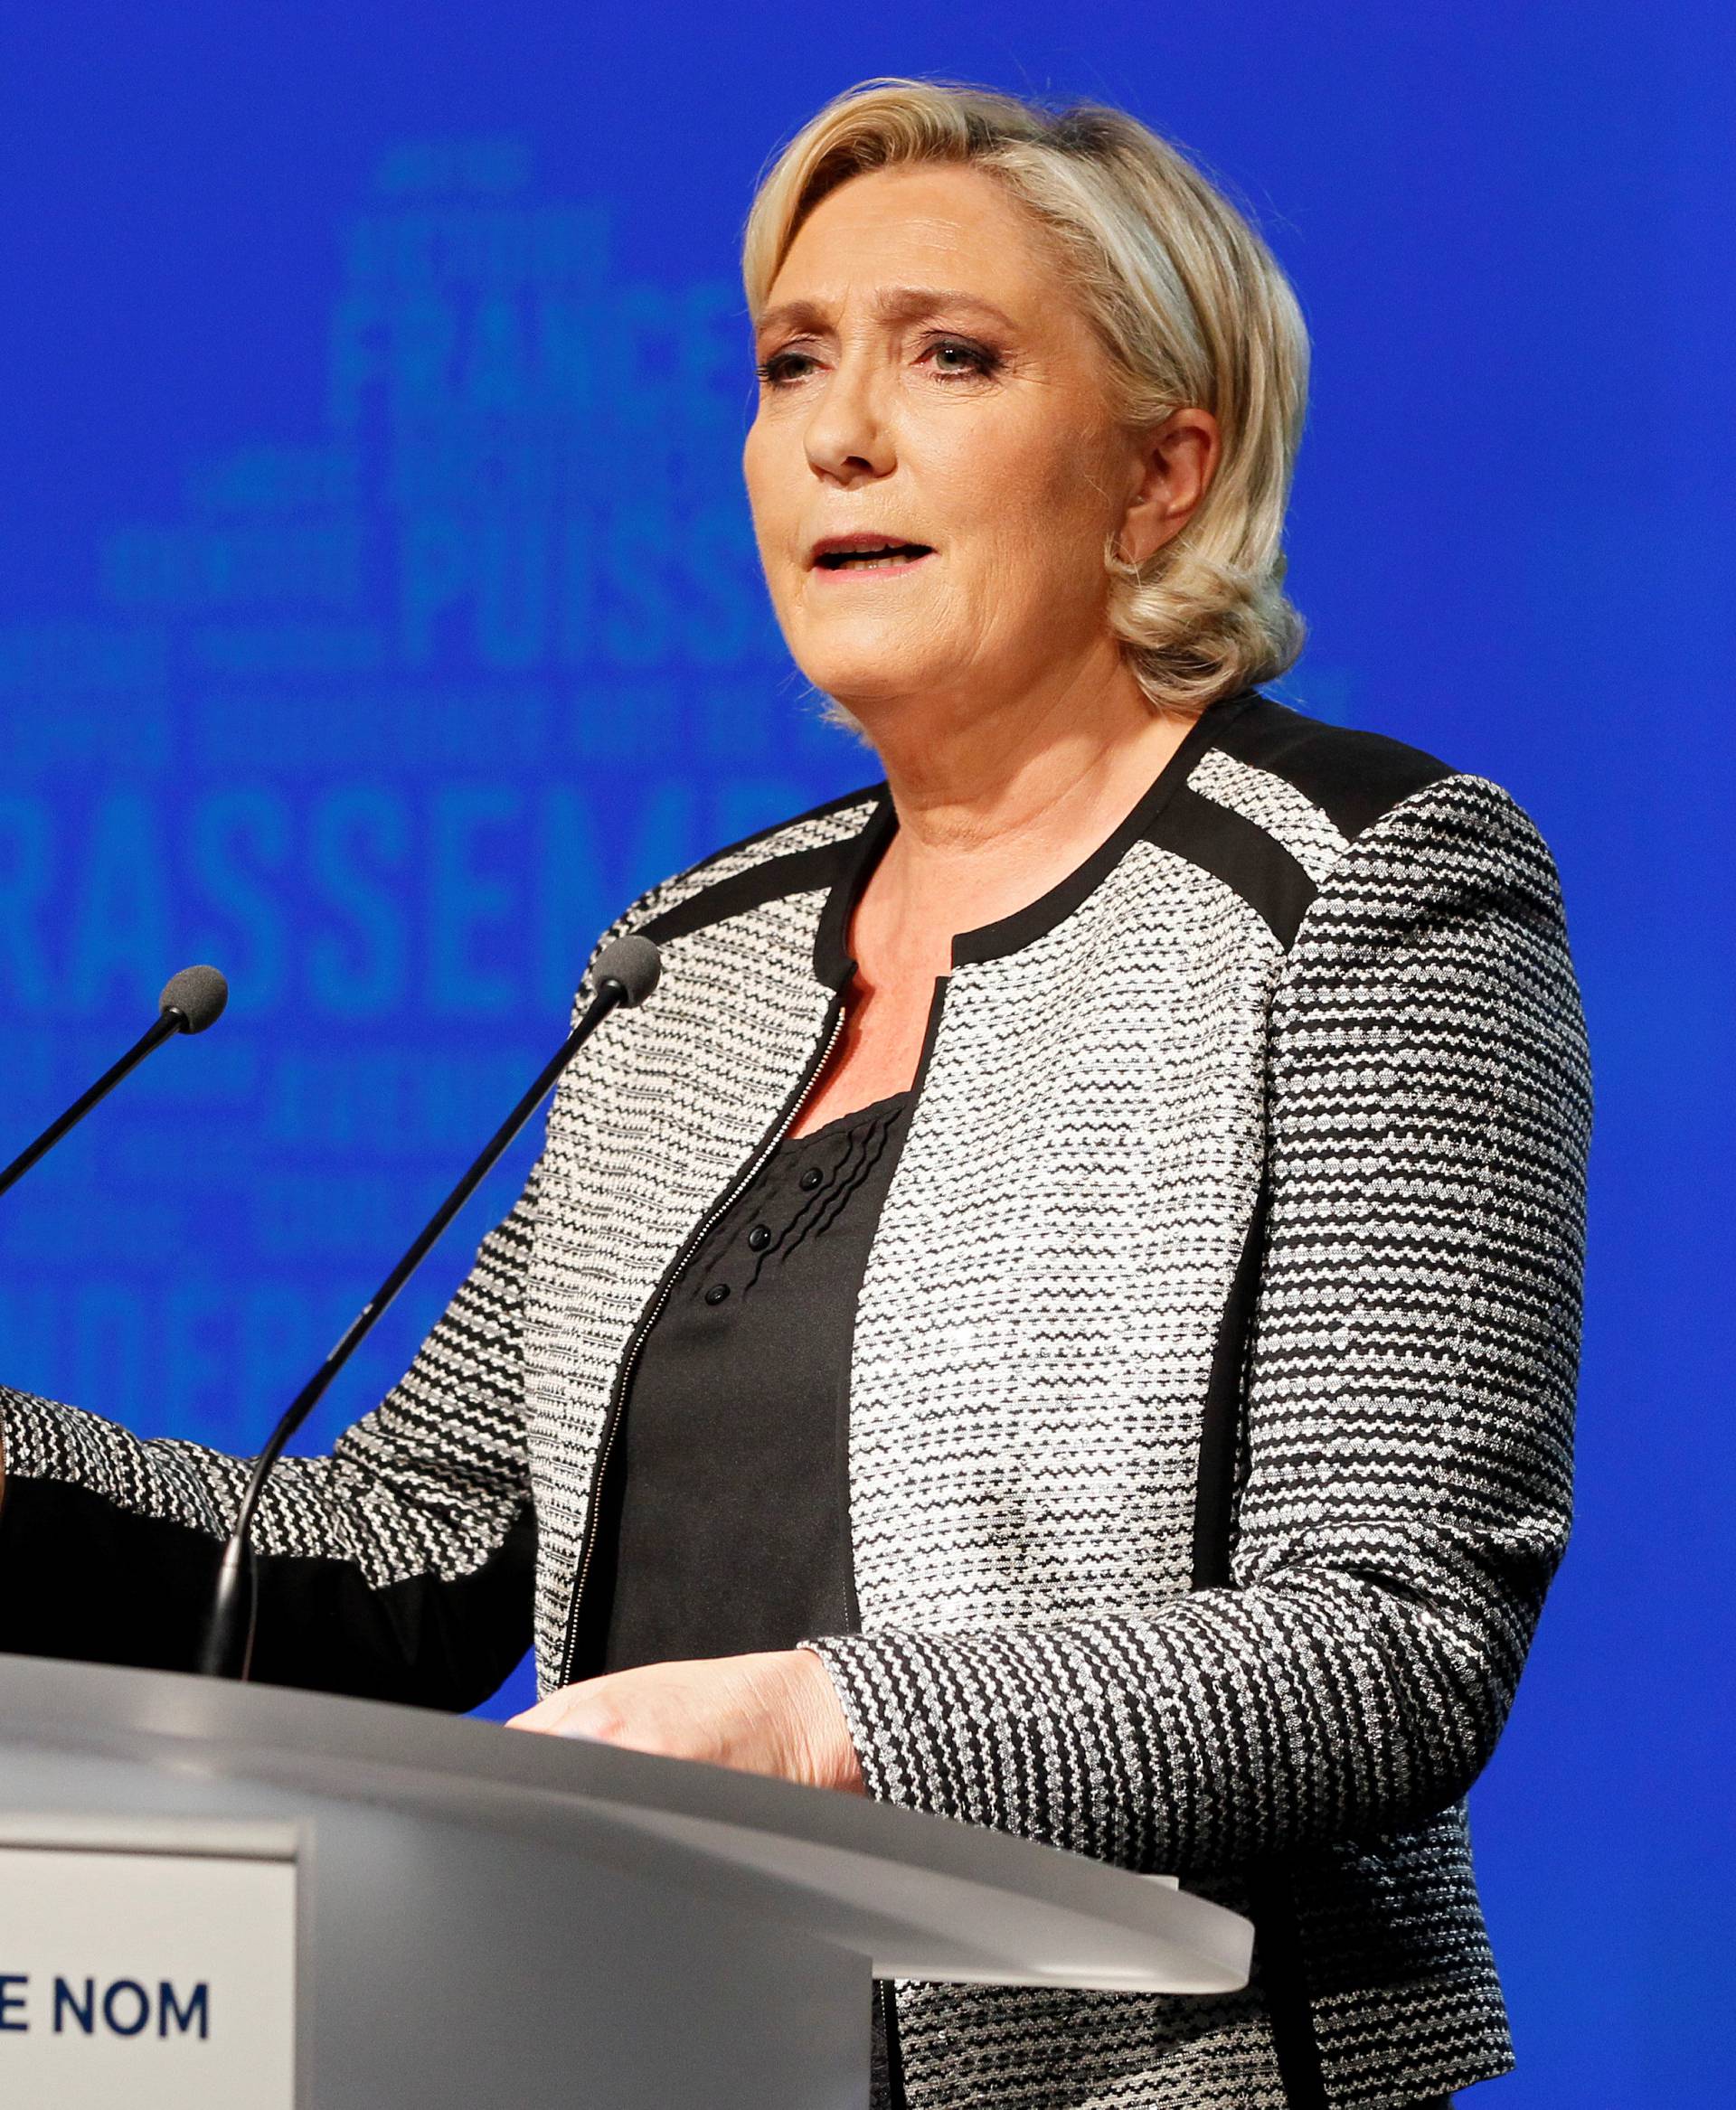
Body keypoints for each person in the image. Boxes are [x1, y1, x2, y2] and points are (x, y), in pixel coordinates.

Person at [0, 78, 1590, 2110]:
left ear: (1162, 475)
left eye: (952, 355)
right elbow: (427, 1548)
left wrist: (815, 1728)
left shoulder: (1364, 886)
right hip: (642, 2050)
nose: (842, 430)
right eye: (790, 363)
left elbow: (1390, 1634)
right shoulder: (702, 948)